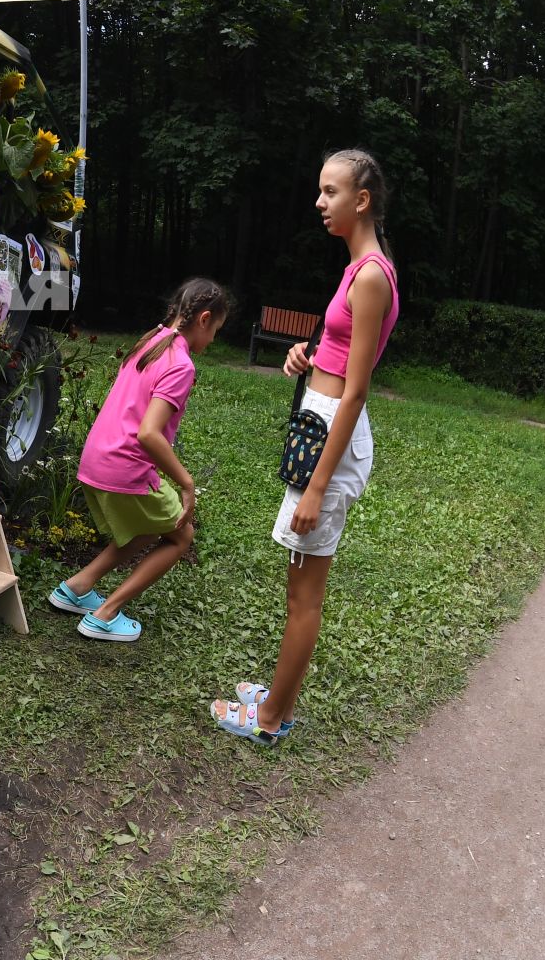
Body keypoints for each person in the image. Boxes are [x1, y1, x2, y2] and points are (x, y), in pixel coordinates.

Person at [212, 149, 399, 744]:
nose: (320, 203)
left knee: (304, 594)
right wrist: (307, 356)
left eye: (330, 192)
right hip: (320, 425)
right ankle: (280, 697)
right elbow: (340, 357)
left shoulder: (370, 275)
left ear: (361, 200)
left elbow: (358, 391)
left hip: (333, 441)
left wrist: (317, 485)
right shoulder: (356, 268)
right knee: (298, 580)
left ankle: (270, 721)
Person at [49, 278, 232, 641]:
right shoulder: (180, 363)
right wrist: (187, 482)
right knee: (181, 537)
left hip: (95, 458)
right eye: (216, 331)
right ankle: (105, 614)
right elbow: (149, 433)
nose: (213, 341)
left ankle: (77, 586)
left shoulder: (151, 340)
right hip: (124, 466)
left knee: (150, 525)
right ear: (204, 319)